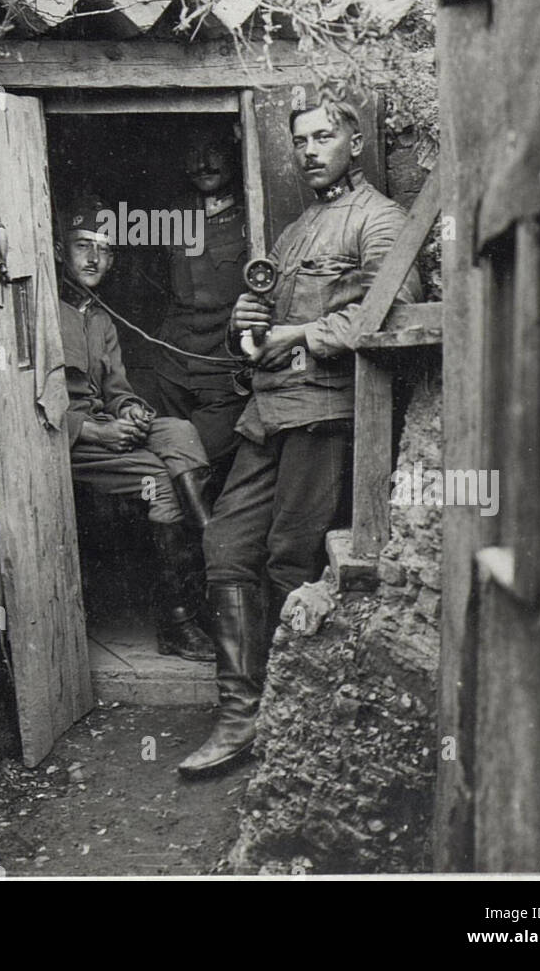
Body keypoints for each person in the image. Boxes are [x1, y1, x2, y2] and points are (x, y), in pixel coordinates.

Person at [179, 93, 422, 776]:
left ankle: (290, 716)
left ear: (353, 143)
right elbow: (262, 317)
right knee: (225, 545)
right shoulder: (294, 230)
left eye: (322, 137)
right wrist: (248, 323)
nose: (309, 151)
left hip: (324, 415)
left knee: (290, 559)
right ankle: (238, 712)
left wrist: (303, 335)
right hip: (266, 414)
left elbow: (390, 319)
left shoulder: (381, 222)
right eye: (300, 141)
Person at [57, 198, 215, 661]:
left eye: (104, 250)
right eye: (83, 245)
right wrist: (93, 432)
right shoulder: (44, 312)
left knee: (179, 430)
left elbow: (117, 389)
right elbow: (31, 406)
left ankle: (207, 536)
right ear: (60, 249)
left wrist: (130, 412)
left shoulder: (100, 318)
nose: (93, 259)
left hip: (105, 429)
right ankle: (177, 620)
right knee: (162, 484)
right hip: (67, 440)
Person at [154, 120, 247, 495]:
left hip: (223, 372)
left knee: (197, 467)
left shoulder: (252, 210)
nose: (203, 163)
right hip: (174, 368)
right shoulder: (173, 215)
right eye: (193, 153)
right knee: (171, 467)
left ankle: (208, 545)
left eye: (214, 151)